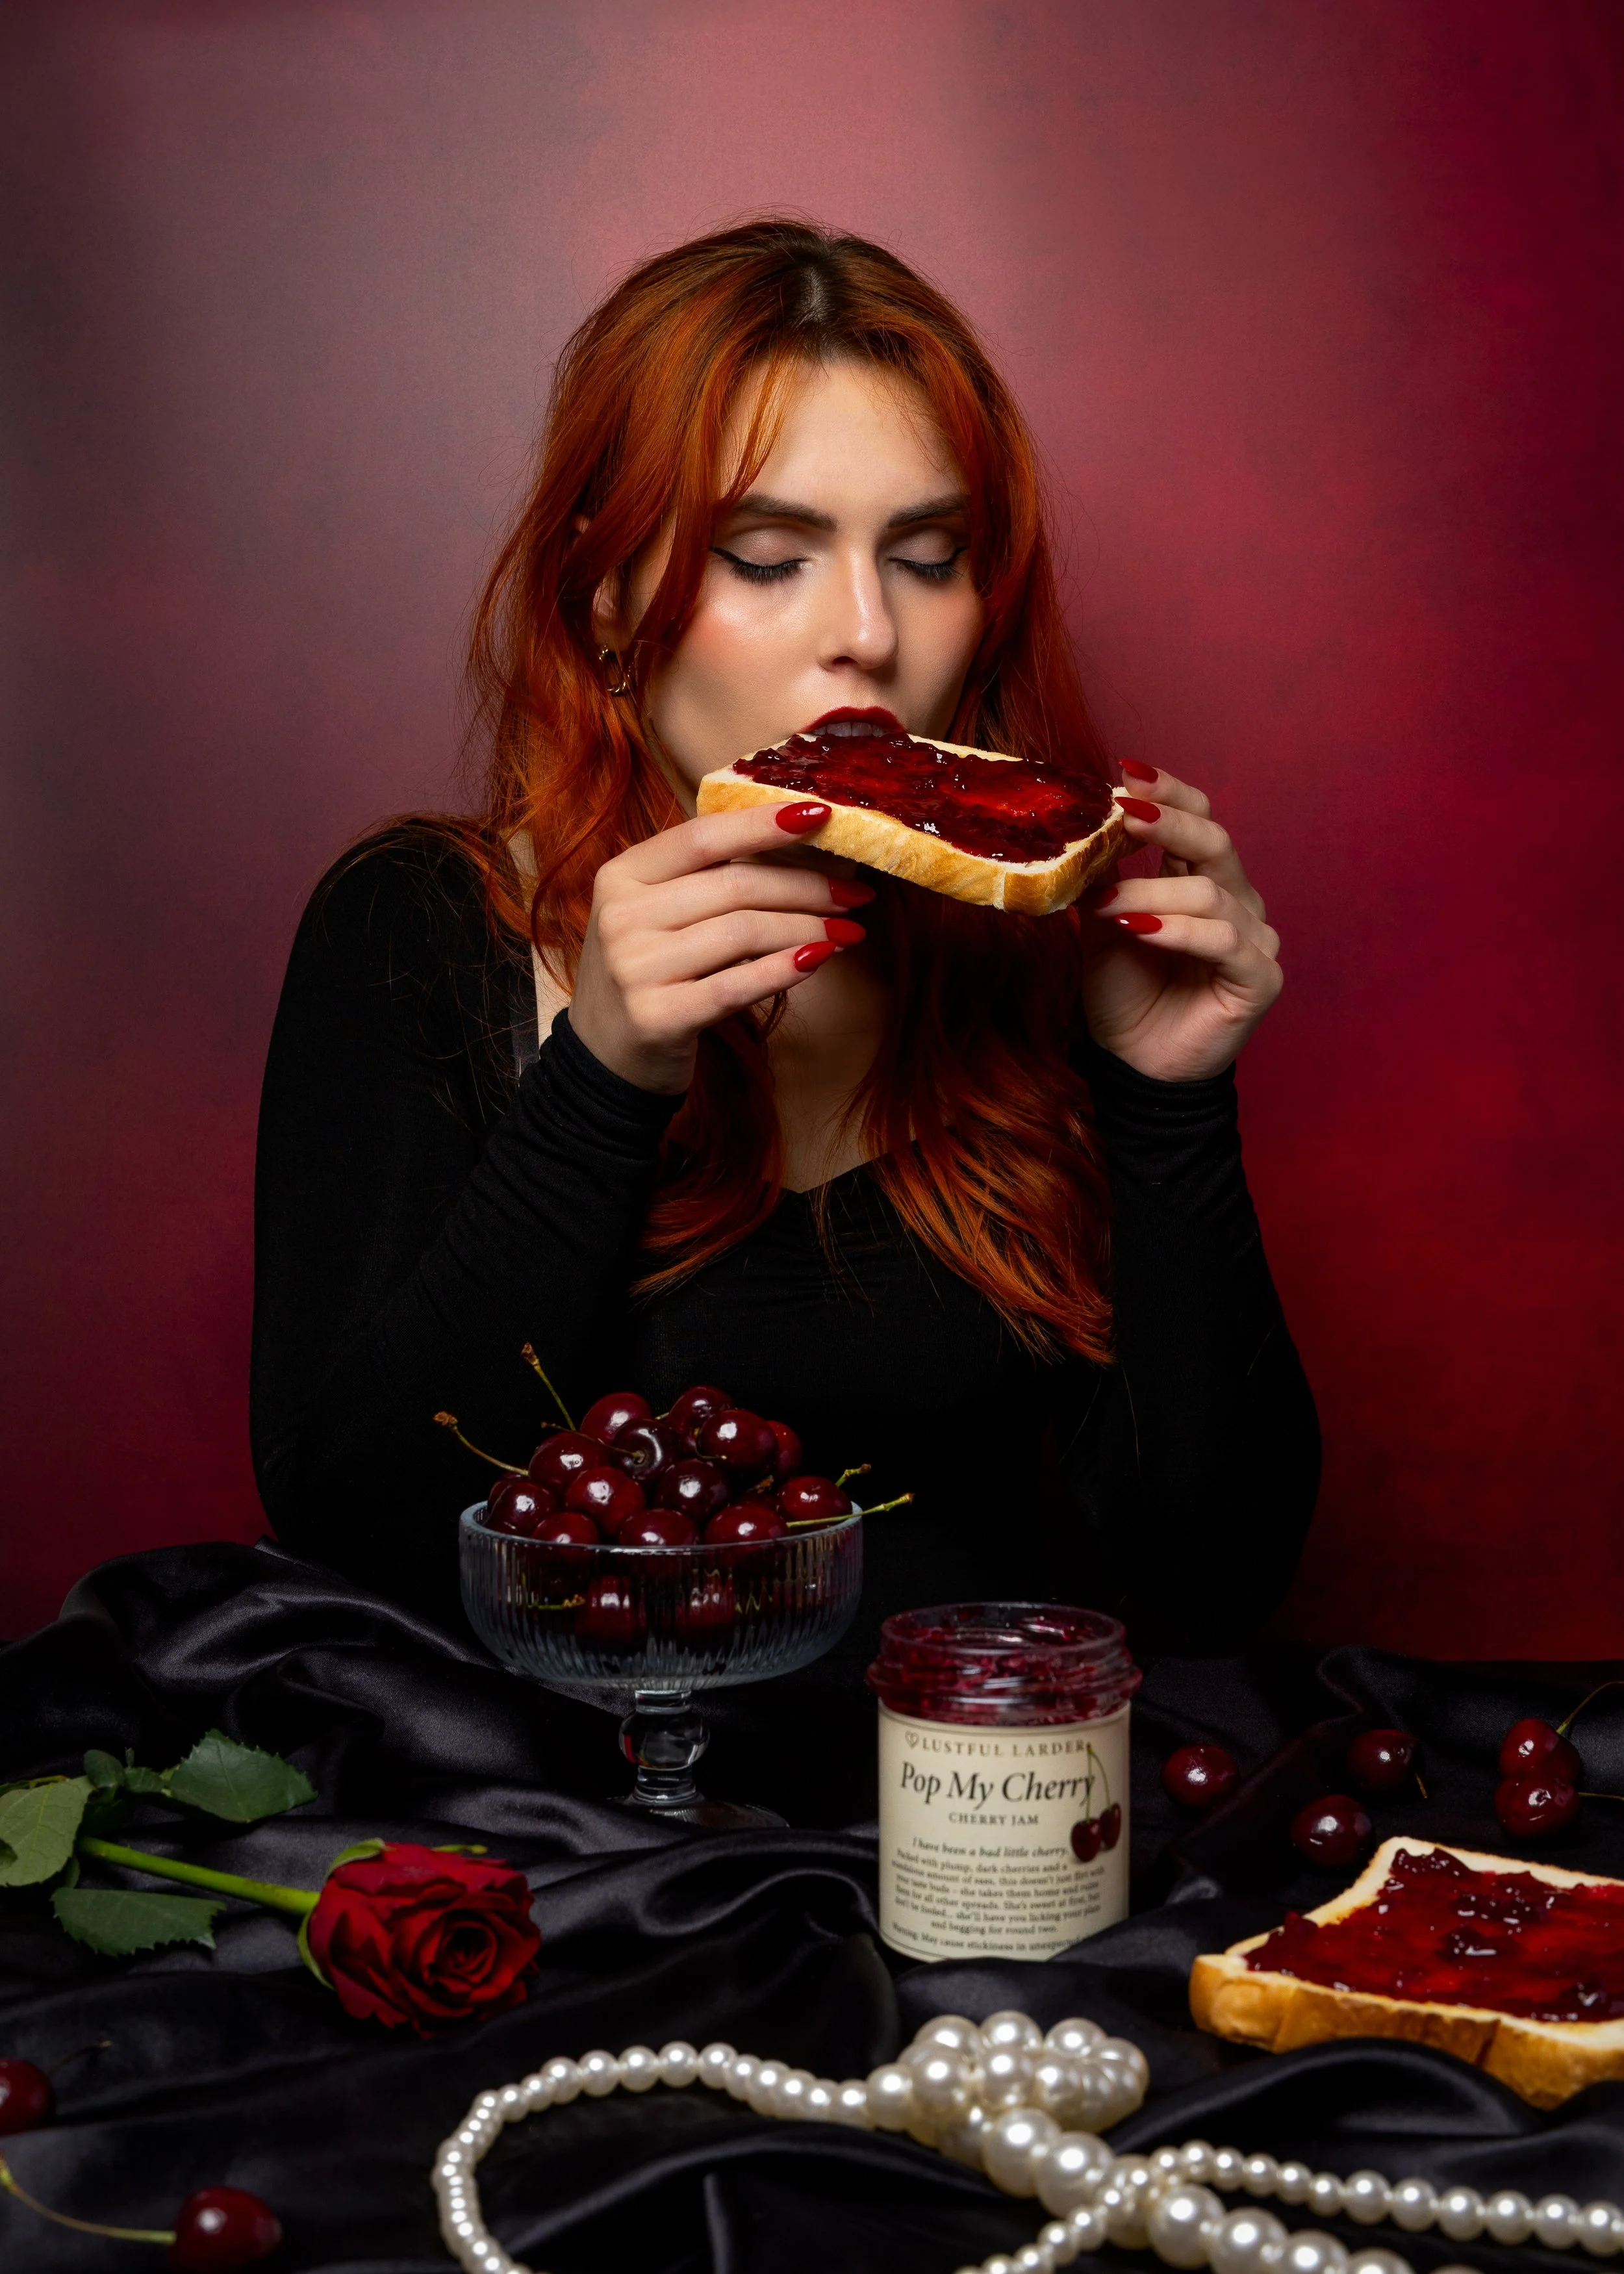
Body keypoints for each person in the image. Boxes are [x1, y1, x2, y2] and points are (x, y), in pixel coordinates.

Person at [251, 221, 1319, 1664]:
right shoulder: (422, 929)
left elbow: (1211, 1575)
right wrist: (603, 1079)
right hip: (571, 1847)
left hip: (966, 1836)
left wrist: (1167, 1096)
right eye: (767, 557)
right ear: (607, 591)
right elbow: (357, 1539)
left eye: (928, 556)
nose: (868, 633)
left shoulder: (1042, 958)